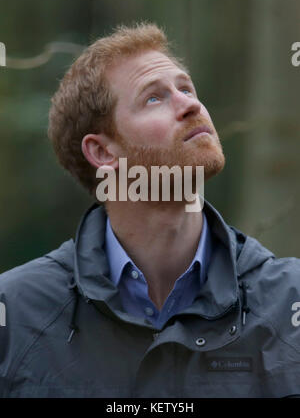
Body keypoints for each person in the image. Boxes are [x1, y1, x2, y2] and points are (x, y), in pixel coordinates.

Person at [0, 23, 300, 399]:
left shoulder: (290, 304)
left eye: (186, 88)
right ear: (103, 153)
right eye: (154, 98)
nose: (190, 104)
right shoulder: (15, 316)